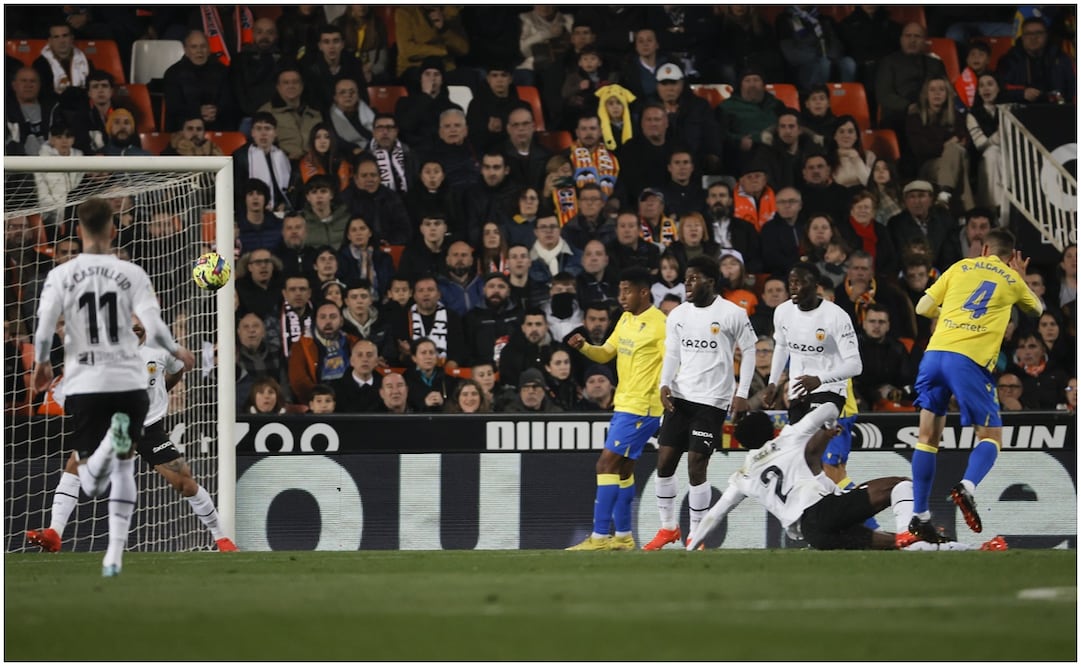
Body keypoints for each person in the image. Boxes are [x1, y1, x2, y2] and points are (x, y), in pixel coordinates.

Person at [27, 198, 196, 577]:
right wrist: (176, 350)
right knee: (121, 466)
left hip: (87, 381)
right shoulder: (131, 273)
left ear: (78, 231)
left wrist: (41, 364)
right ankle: (112, 556)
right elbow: (154, 323)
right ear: (113, 230)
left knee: (87, 472)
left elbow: (44, 325)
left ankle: (59, 526)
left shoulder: (61, 274)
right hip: (127, 382)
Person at [27, 317, 235, 555]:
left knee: (185, 483)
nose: (134, 327)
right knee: (75, 465)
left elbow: (176, 371)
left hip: (148, 427)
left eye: (138, 322)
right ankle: (54, 533)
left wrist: (161, 391)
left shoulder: (161, 347)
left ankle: (222, 538)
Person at [907, 228, 1043, 543]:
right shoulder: (1011, 279)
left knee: (927, 437)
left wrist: (949, 314)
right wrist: (1021, 278)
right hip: (968, 362)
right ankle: (967, 487)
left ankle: (920, 515)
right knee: (991, 436)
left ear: (983, 249)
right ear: (1011, 256)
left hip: (934, 355)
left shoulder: (959, 266)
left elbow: (922, 308)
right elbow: (1036, 310)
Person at [686, 406, 948, 551]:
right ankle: (912, 530)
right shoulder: (788, 437)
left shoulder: (744, 473)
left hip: (814, 536)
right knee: (900, 484)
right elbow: (829, 408)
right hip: (822, 511)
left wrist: (692, 546)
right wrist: (830, 424)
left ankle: (943, 546)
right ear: (773, 429)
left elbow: (715, 514)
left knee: (896, 543)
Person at [643, 255, 757, 550]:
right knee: (665, 462)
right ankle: (668, 528)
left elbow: (749, 351)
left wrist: (742, 393)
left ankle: (696, 533)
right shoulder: (678, 314)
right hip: (681, 396)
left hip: (712, 400)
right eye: (686, 279)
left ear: (711, 281)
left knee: (696, 464)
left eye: (694, 278)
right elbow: (672, 352)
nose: (688, 284)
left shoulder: (732, 313)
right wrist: (665, 383)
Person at [565, 267, 666, 551]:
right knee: (622, 470)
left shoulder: (660, 324)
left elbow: (673, 364)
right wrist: (584, 347)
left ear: (643, 292)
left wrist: (666, 394)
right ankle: (623, 536)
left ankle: (599, 537)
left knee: (605, 464)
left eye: (627, 291)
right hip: (625, 404)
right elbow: (606, 353)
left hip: (642, 408)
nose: (621, 297)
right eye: (620, 290)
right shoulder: (625, 319)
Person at [763, 263, 862, 433]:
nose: (794, 287)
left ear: (816, 285)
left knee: (809, 433)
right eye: (791, 282)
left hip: (830, 389)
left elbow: (855, 366)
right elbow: (781, 346)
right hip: (798, 391)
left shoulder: (836, 316)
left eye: (800, 282)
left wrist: (819, 379)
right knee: (799, 443)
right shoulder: (782, 311)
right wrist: (773, 382)